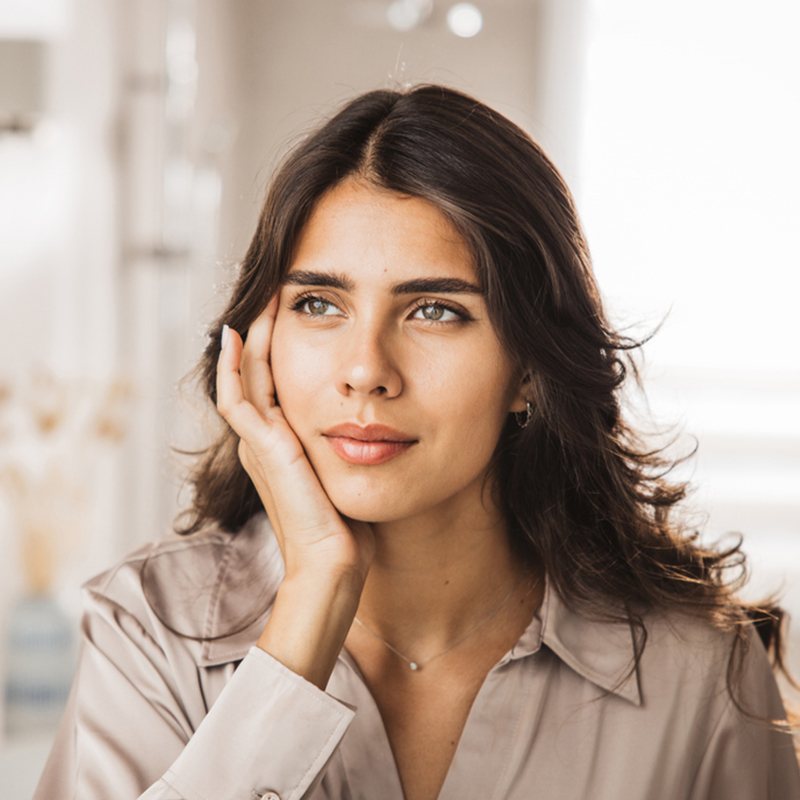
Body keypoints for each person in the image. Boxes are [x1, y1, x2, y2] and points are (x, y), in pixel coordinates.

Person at [34, 84, 799, 800]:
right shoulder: (150, 631)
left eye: (435, 310)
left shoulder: (698, 669)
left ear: (529, 368)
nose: (366, 370)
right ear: (259, 347)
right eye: (318, 304)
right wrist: (314, 597)